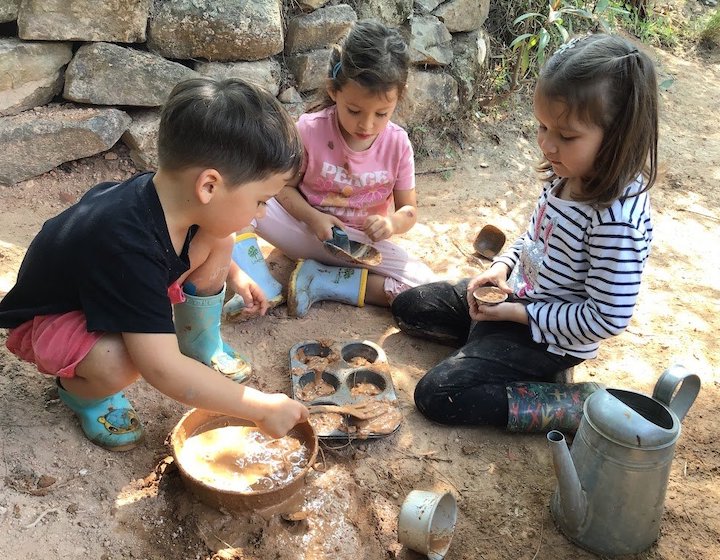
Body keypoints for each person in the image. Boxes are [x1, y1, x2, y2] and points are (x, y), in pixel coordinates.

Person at [0, 77, 309, 451]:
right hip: (54, 318)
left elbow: (204, 246)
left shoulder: (170, 199)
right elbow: (161, 370)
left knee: (221, 241)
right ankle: (83, 394)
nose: (262, 213)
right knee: (123, 361)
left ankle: (199, 343)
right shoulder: (127, 245)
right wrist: (260, 408)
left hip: (112, 287)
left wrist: (234, 273)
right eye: (262, 200)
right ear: (209, 186)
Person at [391, 34, 658, 433]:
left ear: (619, 136)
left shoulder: (614, 220)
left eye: (566, 136)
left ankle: (565, 404)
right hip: (517, 300)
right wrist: (500, 268)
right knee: (410, 306)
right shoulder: (566, 175)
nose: (547, 145)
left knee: (438, 395)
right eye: (542, 127)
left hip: (547, 339)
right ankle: (487, 348)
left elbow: (606, 317)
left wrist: (517, 314)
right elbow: (533, 238)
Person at [223, 20, 435, 320]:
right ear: (334, 90)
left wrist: (392, 224)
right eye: (354, 110)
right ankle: (263, 283)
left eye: (381, 114)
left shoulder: (398, 144)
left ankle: (322, 281)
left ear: (398, 99)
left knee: (424, 287)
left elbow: (409, 210)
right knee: (239, 195)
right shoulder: (310, 130)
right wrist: (313, 217)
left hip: (361, 247)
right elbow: (281, 187)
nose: (367, 124)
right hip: (307, 230)